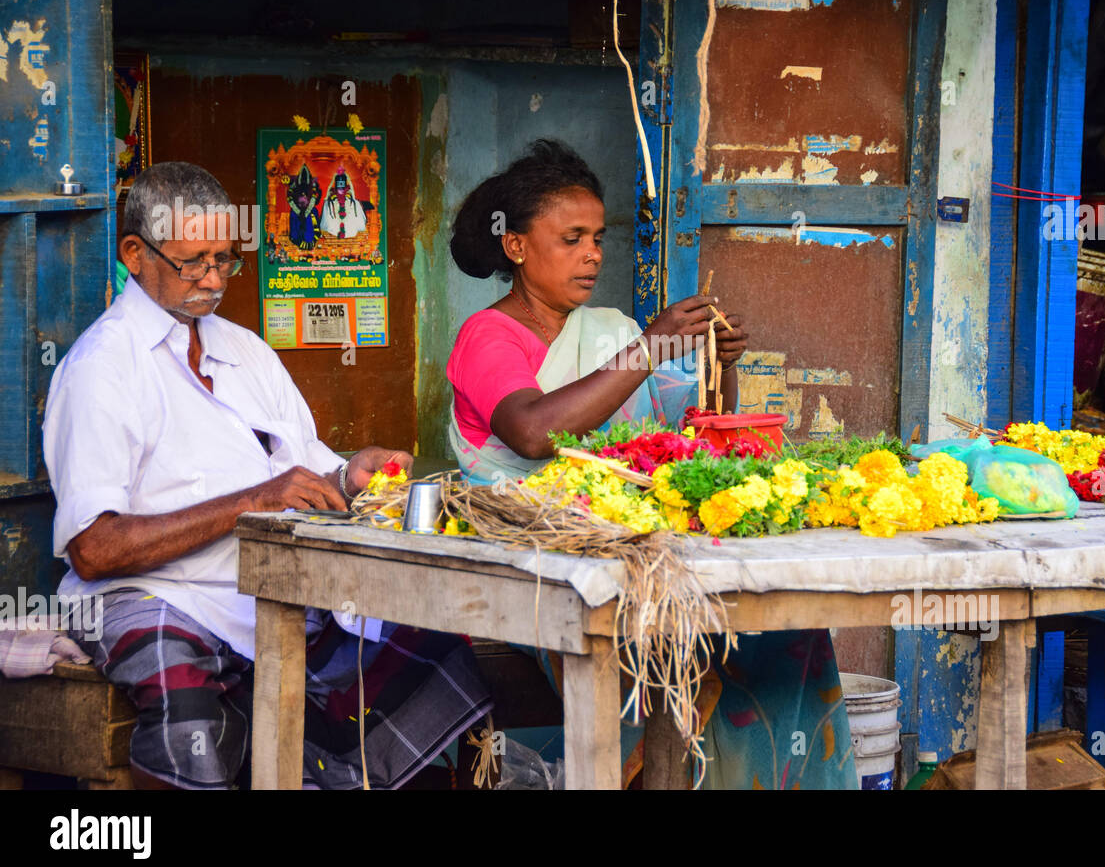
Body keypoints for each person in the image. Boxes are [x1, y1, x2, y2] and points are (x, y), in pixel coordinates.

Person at [44, 162, 490, 789]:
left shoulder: (244, 351)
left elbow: (304, 468)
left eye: (226, 260)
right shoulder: (104, 368)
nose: (214, 279)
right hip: (152, 594)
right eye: (193, 262)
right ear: (135, 254)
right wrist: (255, 500)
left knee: (425, 645)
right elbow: (94, 549)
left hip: (265, 592)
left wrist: (350, 476)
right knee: (184, 698)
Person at [445, 140, 856, 789]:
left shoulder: (607, 331)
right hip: (544, 564)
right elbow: (531, 432)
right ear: (517, 246)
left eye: (597, 237)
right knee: (675, 650)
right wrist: (653, 344)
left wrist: (719, 362)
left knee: (781, 634)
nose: (592, 254)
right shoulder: (487, 337)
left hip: (628, 549)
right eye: (571, 237)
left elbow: (679, 432)